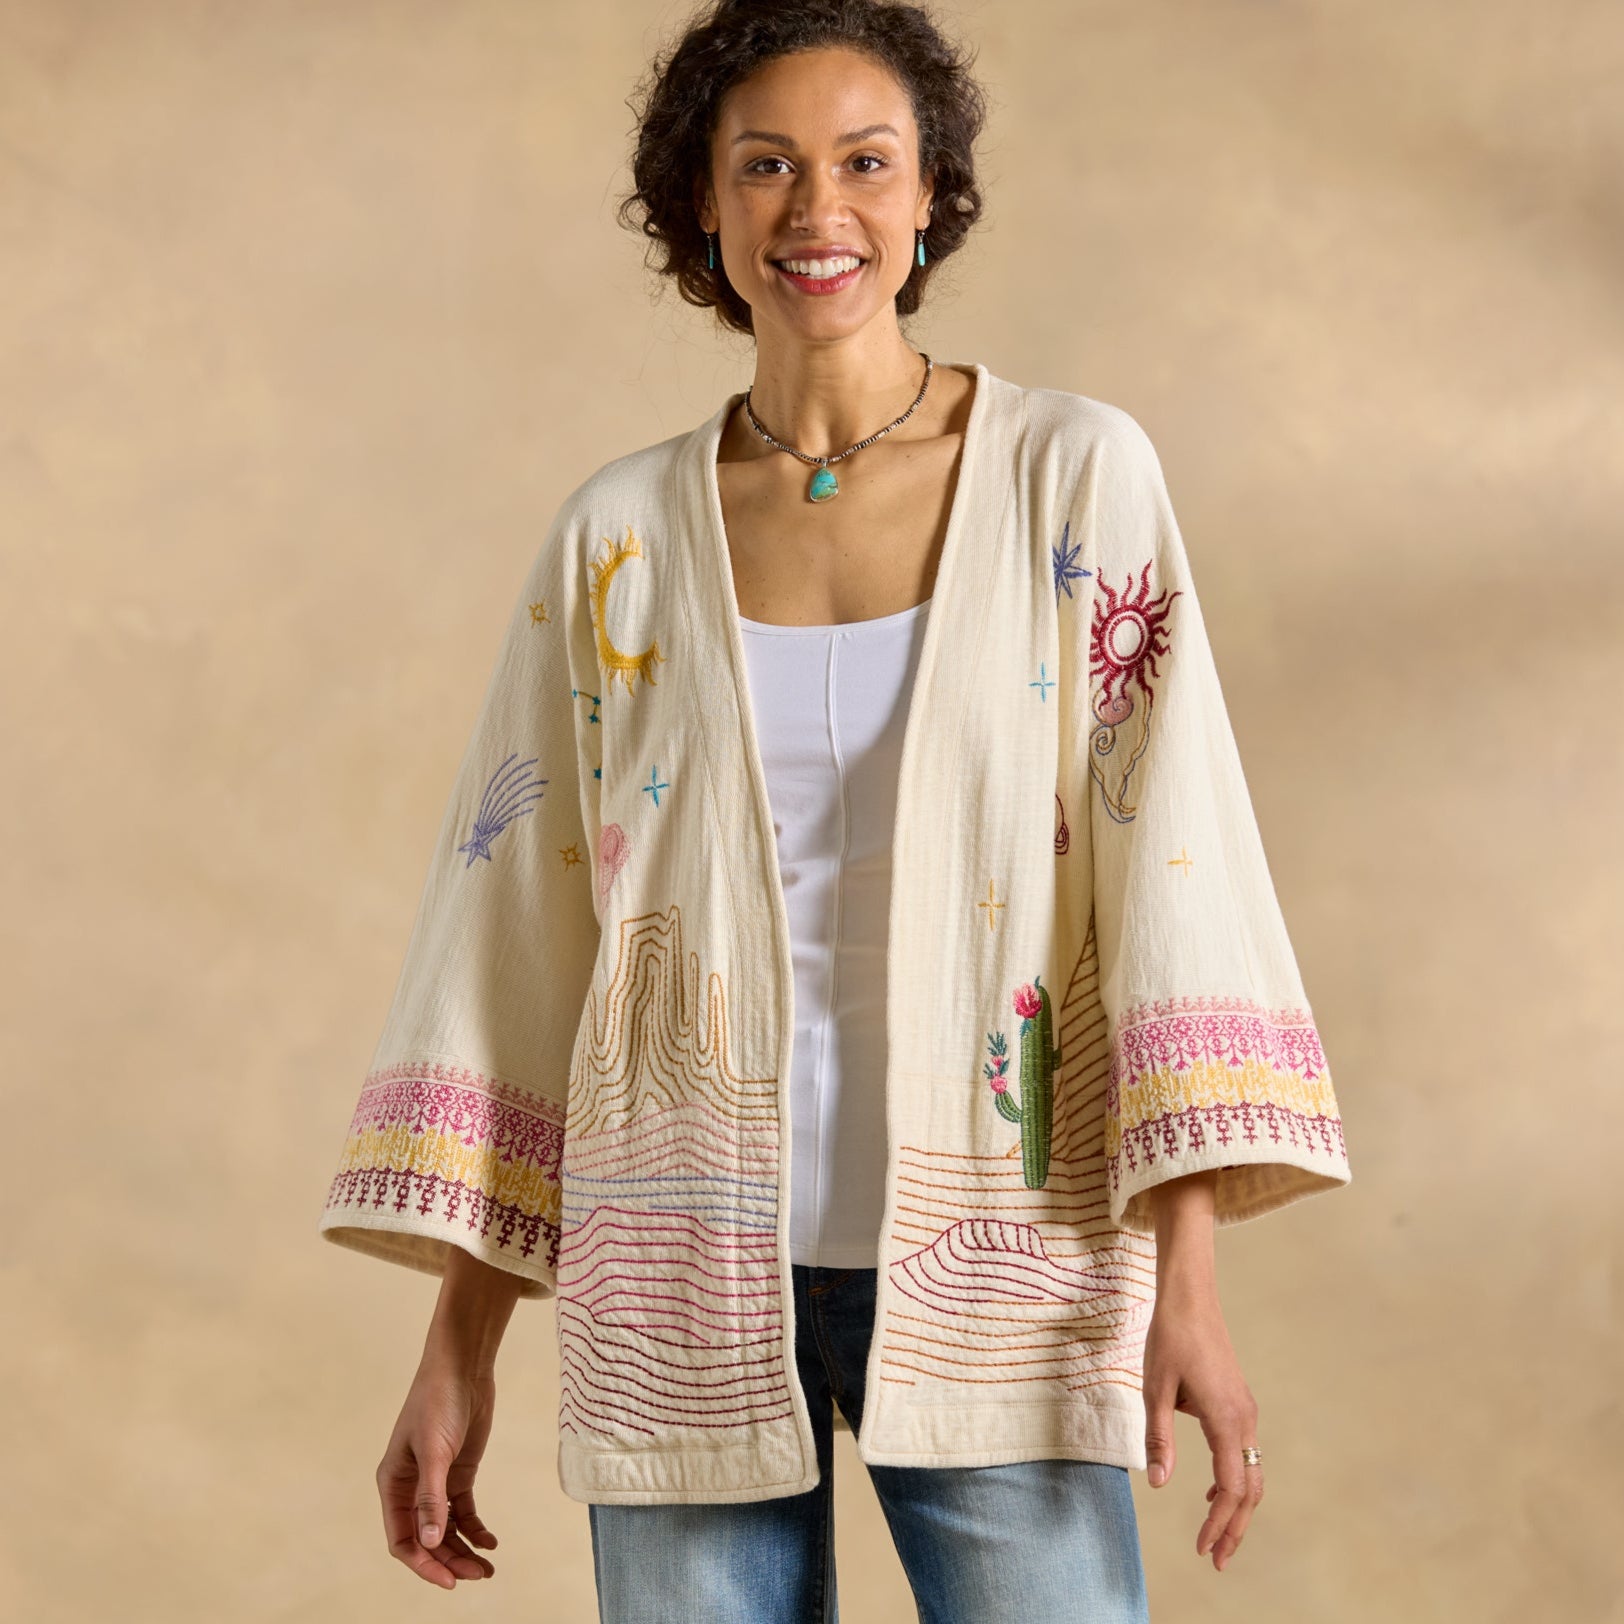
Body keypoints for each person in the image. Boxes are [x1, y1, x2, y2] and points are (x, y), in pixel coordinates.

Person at [317, 3, 1352, 1619]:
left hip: (1014, 1268)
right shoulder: (617, 538)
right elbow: (519, 934)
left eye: (867, 163)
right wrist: (458, 1346)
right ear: (704, 205)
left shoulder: (1073, 479)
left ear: (931, 195)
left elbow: (1173, 868)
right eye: (767, 166)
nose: (820, 209)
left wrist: (1189, 1287)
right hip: (676, 1282)